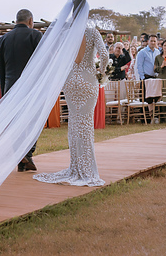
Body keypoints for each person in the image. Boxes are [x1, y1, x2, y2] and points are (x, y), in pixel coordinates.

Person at [35, 23, 110, 187]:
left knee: (75, 122)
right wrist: (102, 72)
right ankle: (86, 169)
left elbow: (53, 55)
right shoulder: (92, 32)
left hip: (70, 81)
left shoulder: (65, 33)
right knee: (86, 123)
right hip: (88, 79)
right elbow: (104, 55)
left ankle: (76, 167)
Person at [0, 8, 42, 171]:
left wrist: (4, 89)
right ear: (31, 20)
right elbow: (41, 62)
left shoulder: (3, 39)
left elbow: (1, 68)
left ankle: (20, 156)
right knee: (33, 120)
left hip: (10, 86)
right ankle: (27, 154)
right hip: (31, 86)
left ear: (16, 20)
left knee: (15, 121)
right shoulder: (35, 35)